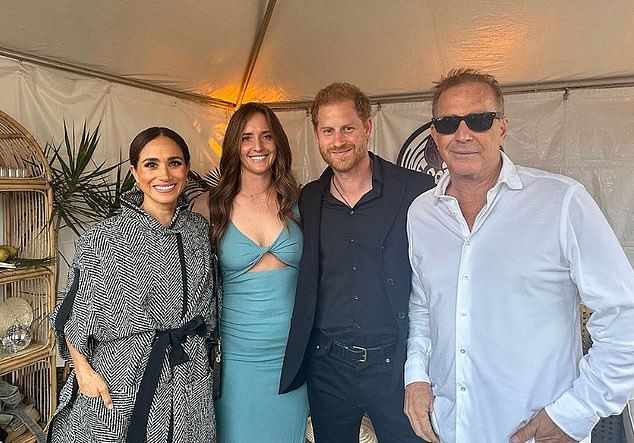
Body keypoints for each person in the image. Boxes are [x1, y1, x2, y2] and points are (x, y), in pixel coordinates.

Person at [404, 68, 634, 443]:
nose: (463, 134)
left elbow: (625, 315)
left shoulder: (561, 202)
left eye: (478, 120)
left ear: (502, 128)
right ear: (434, 135)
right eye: (448, 123)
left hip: (534, 432)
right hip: (450, 427)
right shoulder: (421, 213)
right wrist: (416, 376)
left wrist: (578, 411)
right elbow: (424, 304)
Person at [280, 82, 435, 442]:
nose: (338, 140)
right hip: (328, 364)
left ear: (367, 127)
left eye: (348, 128)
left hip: (394, 364)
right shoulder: (311, 197)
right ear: (316, 135)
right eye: (328, 130)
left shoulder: (415, 190)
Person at [47, 127, 217, 443]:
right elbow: (73, 313)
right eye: (151, 164)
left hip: (189, 372)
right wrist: (83, 371)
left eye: (174, 163)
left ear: (187, 170)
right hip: (124, 372)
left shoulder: (198, 231)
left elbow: (211, 302)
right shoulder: (103, 238)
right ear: (135, 173)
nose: (164, 174)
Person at [193, 102, 309, 442]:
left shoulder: (301, 202)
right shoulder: (210, 206)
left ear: (278, 143)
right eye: (246, 138)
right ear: (234, 146)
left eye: (266, 136)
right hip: (236, 359)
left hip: (293, 357)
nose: (257, 147)